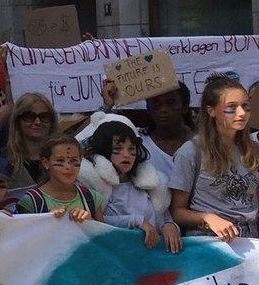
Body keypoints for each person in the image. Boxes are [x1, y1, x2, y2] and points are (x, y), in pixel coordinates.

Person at [169, 75, 259, 241]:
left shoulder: (254, 150)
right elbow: (177, 211)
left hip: (252, 239)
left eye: (245, 106)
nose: (241, 113)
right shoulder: (191, 151)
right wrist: (207, 218)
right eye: (231, 107)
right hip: (210, 240)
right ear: (211, 110)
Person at [76, 117, 174, 250]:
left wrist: (170, 225)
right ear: (103, 150)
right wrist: (136, 221)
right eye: (118, 149)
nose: (126, 155)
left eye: (131, 150)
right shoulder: (93, 188)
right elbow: (96, 222)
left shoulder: (150, 186)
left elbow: (164, 217)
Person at [10, 136, 96, 221]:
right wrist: (47, 218)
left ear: (81, 160)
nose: (68, 166)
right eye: (60, 160)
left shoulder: (91, 197)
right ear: (45, 163)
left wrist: (89, 221)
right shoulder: (31, 201)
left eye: (74, 160)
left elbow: (102, 229)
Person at [0, 92, 57, 191]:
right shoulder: (1, 157)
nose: (38, 122)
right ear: (17, 121)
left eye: (44, 116)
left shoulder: (65, 157)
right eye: (29, 116)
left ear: (52, 121)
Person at [140, 82, 195, 183]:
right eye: (156, 104)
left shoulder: (200, 145)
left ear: (185, 107)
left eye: (171, 103)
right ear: (148, 108)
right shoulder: (138, 143)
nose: (163, 110)